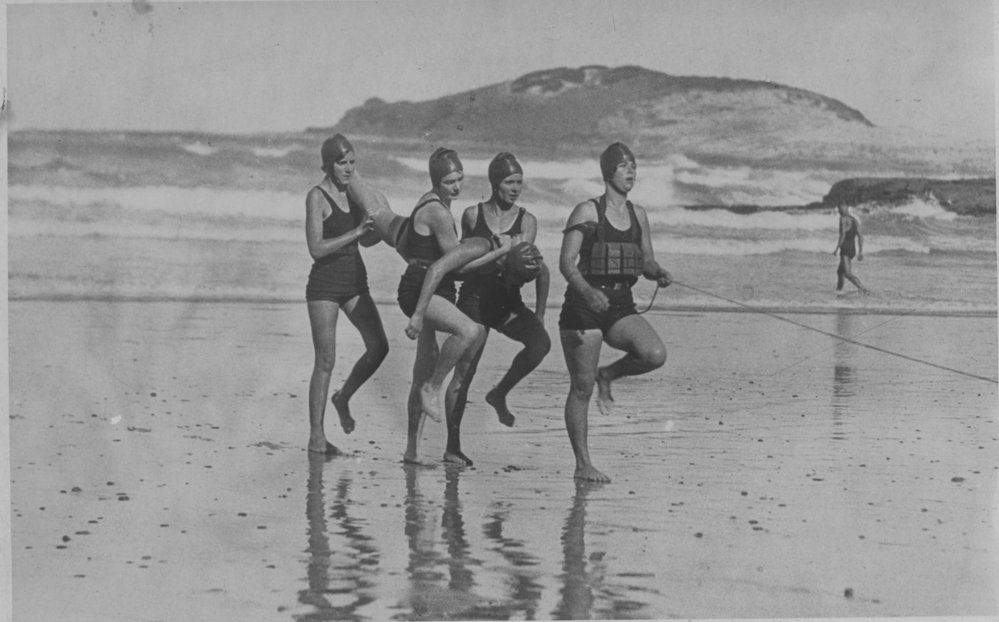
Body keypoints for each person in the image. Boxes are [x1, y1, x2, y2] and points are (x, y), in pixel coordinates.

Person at [421, 152, 551, 466]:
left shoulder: (527, 221)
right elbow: (461, 262)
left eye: (519, 182)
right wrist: (501, 251)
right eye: (509, 182)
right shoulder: (471, 215)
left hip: (507, 300)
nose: (516, 188)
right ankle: (453, 447)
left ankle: (500, 393)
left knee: (540, 344)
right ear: (494, 183)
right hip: (475, 299)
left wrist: (541, 314)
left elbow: (533, 267)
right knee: (464, 374)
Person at [558, 142, 672, 482]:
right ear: (609, 171)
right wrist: (588, 292)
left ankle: (608, 375)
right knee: (581, 388)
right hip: (583, 306)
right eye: (624, 166)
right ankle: (583, 465)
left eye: (634, 166)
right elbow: (566, 263)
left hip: (621, 305)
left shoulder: (639, 215)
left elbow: (646, 261)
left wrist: (659, 273)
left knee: (654, 354)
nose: (631, 172)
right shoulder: (587, 211)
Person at [397, 147, 512, 465]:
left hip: (432, 287)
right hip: (424, 288)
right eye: (450, 181)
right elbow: (456, 267)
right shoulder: (439, 212)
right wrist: (497, 254)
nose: (457, 187)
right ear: (437, 181)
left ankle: (412, 449)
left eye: (460, 179)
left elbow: (406, 245)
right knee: (469, 330)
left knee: (422, 366)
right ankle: (434, 388)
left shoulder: (427, 201)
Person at [305, 134, 389, 455]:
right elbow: (316, 248)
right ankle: (316, 436)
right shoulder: (317, 196)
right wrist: (355, 232)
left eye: (353, 162)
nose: (348, 169)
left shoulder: (354, 195)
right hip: (324, 286)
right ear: (326, 165)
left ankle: (344, 397)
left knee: (379, 347)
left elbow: (364, 242)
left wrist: (376, 231)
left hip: (355, 281)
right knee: (325, 360)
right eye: (342, 163)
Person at [832, 202, 870, 294]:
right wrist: (860, 251)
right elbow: (860, 236)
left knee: (847, 273)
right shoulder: (854, 220)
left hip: (845, 249)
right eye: (840, 210)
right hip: (852, 250)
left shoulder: (842, 219)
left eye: (841, 210)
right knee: (840, 272)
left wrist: (837, 248)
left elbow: (843, 235)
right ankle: (838, 291)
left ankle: (864, 290)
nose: (840, 212)